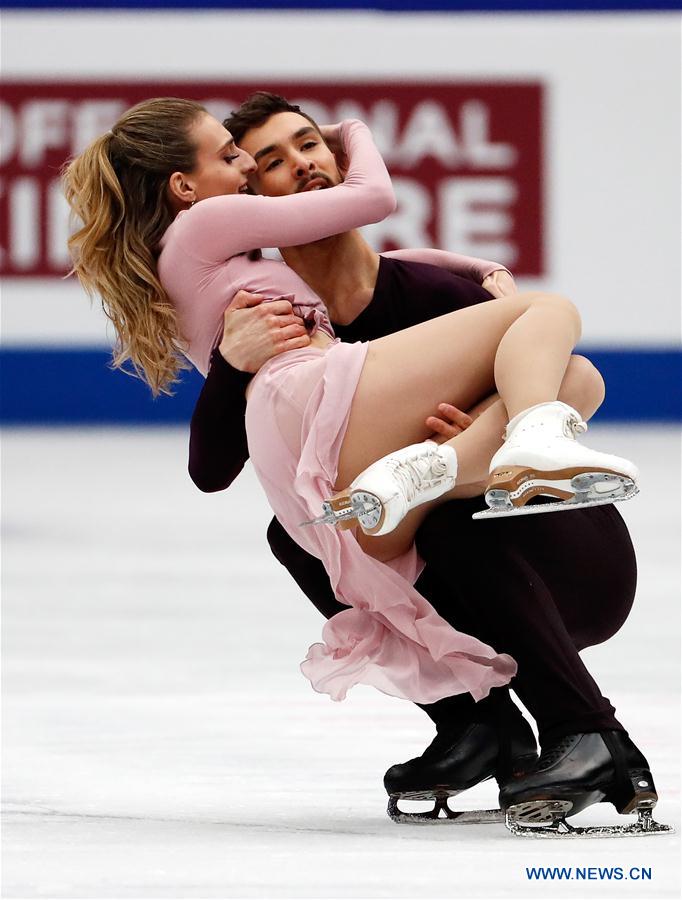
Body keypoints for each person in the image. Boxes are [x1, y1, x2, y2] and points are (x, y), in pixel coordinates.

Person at [62, 96, 655, 832]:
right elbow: (211, 469)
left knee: (573, 380)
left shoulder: (389, 295)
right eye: (254, 160)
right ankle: (507, 718)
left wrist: (475, 281)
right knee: (548, 324)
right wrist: (230, 362)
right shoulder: (241, 269)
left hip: (559, 553)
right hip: (336, 436)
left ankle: (464, 466)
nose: (277, 166)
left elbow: (395, 265)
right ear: (246, 200)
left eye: (308, 145)